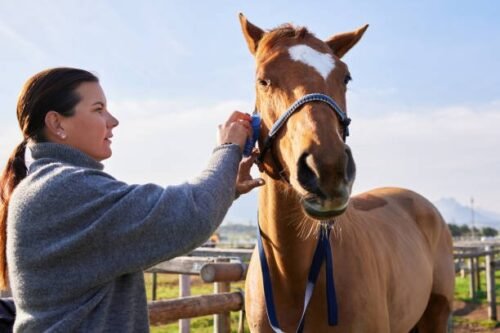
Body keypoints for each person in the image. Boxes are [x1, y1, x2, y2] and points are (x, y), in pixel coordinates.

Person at [0, 67, 264, 332]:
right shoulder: (63, 189)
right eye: (98, 109)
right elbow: (189, 215)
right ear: (57, 124)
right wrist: (227, 149)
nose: (112, 120)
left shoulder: (47, 186)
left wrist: (227, 187)